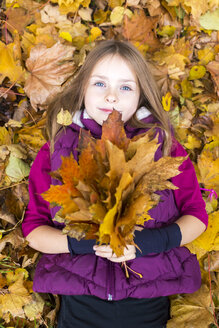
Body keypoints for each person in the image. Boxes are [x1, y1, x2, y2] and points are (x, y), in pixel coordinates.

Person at [22, 40, 208, 328]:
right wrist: (79, 244)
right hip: (81, 300)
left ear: (141, 95)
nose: (111, 97)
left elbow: (196, 217)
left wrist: (148, 242)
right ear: (82, 87)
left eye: (125, 87)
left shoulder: (164, 148)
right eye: (99, 84)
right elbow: (35, 231)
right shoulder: (56, 152)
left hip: (148, 296)